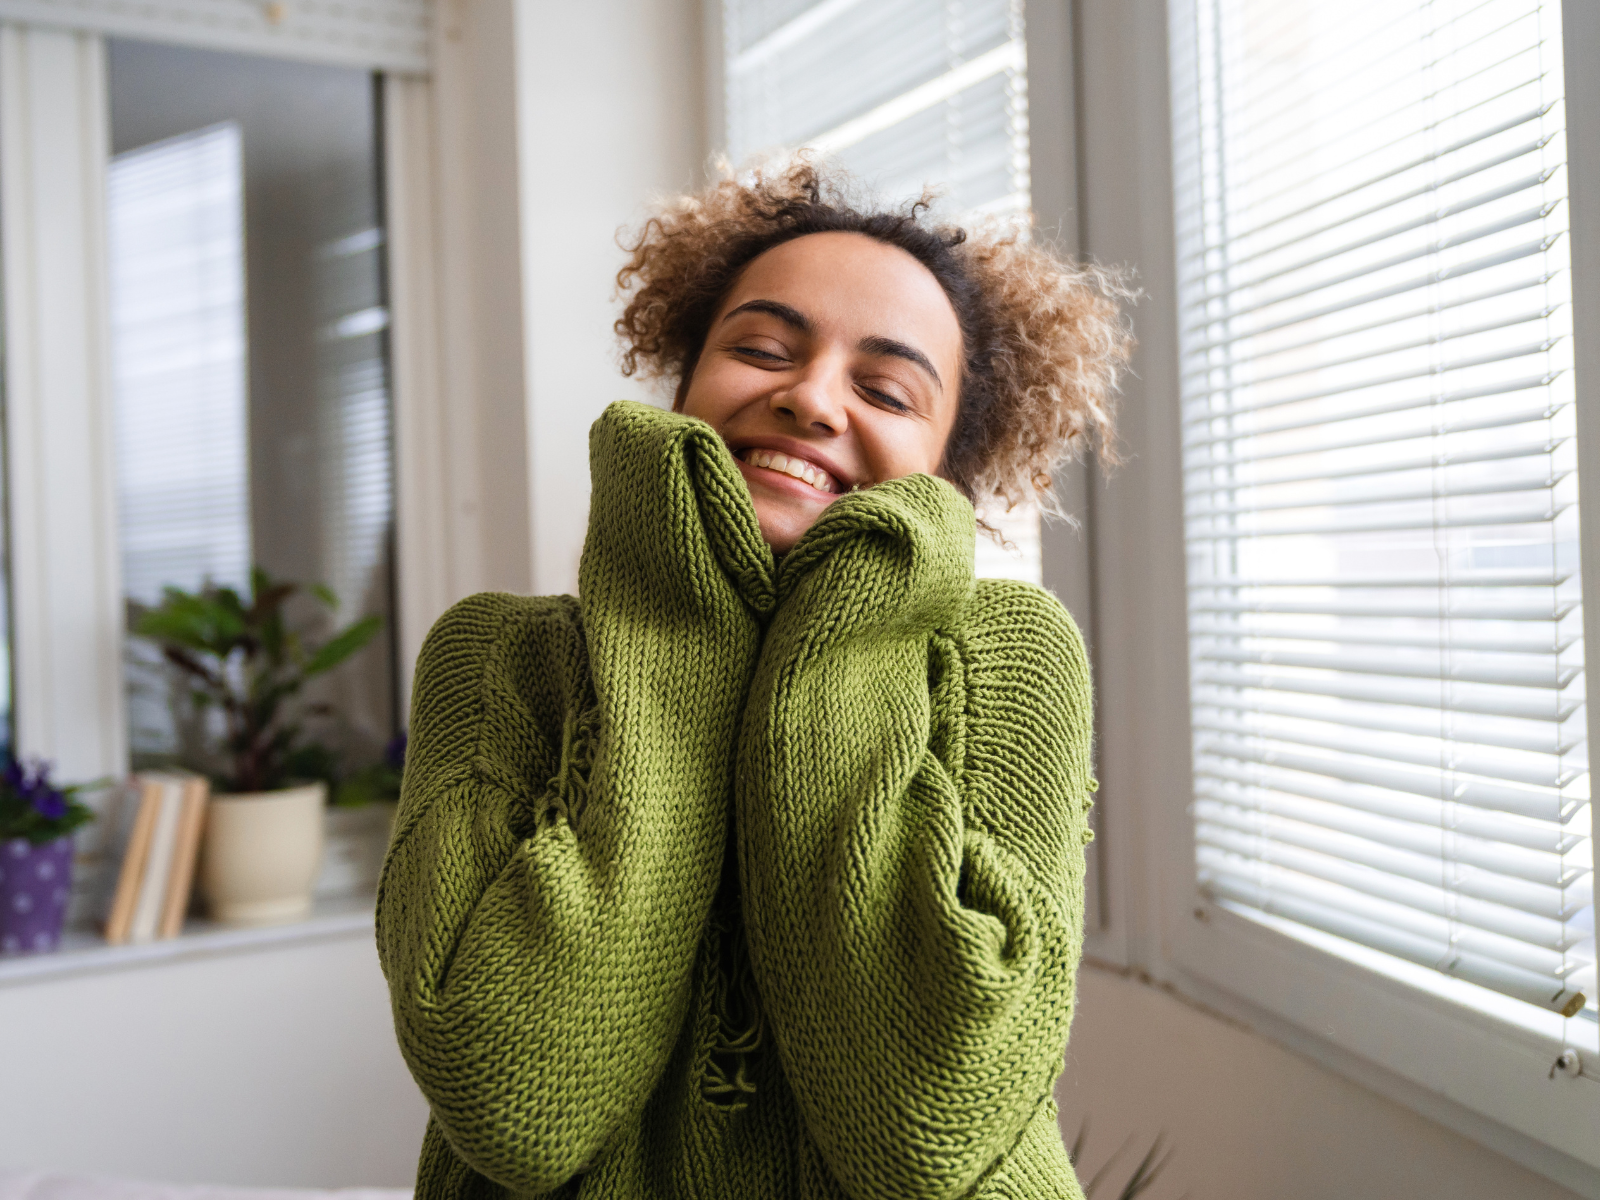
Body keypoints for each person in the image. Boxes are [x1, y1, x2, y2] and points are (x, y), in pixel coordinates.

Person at [376, 160, 1130, 1199]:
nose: (811, 399)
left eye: (885, 390)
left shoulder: (1016, 655)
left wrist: (845, 630)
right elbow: (513, 1101)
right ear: (683, 385)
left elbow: (924, 1128)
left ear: (947, 472)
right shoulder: (494, 658)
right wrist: (680, 620)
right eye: (762, 349)